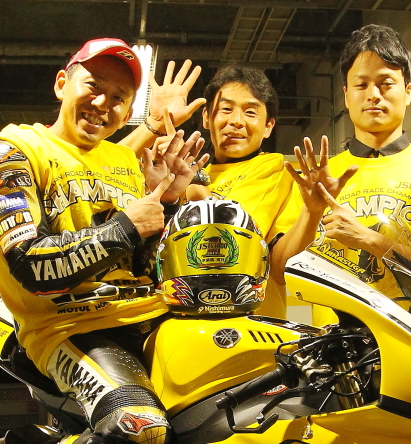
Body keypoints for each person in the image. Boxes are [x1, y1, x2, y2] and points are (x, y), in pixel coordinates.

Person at [0, 39, 204, 444]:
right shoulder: (9, 151)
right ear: (62, 82)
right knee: (139, 431)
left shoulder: (123, 160)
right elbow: (31, 264)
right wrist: (126, 226)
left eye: (119, 98)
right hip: (68, 328)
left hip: (152, 317)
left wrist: (167, 204)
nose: (103, 104)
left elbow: (141, 262)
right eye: (94, 86)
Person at [270, 25, 411, 313]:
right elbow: (279, 272)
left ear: (408, 92)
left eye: (386, 83)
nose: (373, 95)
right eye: (361, 85)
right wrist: (311, 213)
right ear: (346, 95)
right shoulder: (316, 179)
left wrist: (369, 239)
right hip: (336, 339)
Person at [121, 62, 296, 317]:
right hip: (174, 322)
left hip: (247, 324)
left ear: (268, 126)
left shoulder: (274, 169)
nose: (236, 121)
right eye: (226, 109)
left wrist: (188, 181)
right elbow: (103, 169)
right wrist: (153, 125)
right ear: (206, 118)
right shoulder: (182, 170)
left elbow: (229, 237)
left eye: (250, 112)